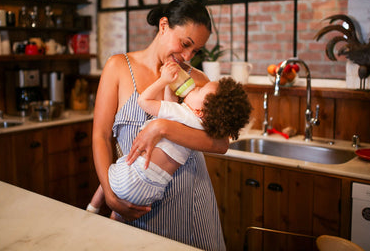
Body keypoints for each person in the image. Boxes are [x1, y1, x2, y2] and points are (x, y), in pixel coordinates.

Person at [92, 0, 234, 250]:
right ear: (164, 25)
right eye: (185, 44)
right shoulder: (118, 67)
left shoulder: (197, 80)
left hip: (190, 202)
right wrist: (110, 196)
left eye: (195, 50)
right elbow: (101, 136)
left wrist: (163, 127)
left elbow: (222, 143)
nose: (187, 55)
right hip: (138, 202)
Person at [87, 61, 252, 221]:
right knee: (121, 212)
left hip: (133, 177)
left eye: (200, 90)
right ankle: (114, 218)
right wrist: (172, 85)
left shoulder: (180, 112)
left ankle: (92, 207)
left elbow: (144, 101)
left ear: (200, 111)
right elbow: (169, 104)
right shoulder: (202, 128)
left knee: (112, 174)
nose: (196, 87)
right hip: (150, 192)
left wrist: (163, 80)